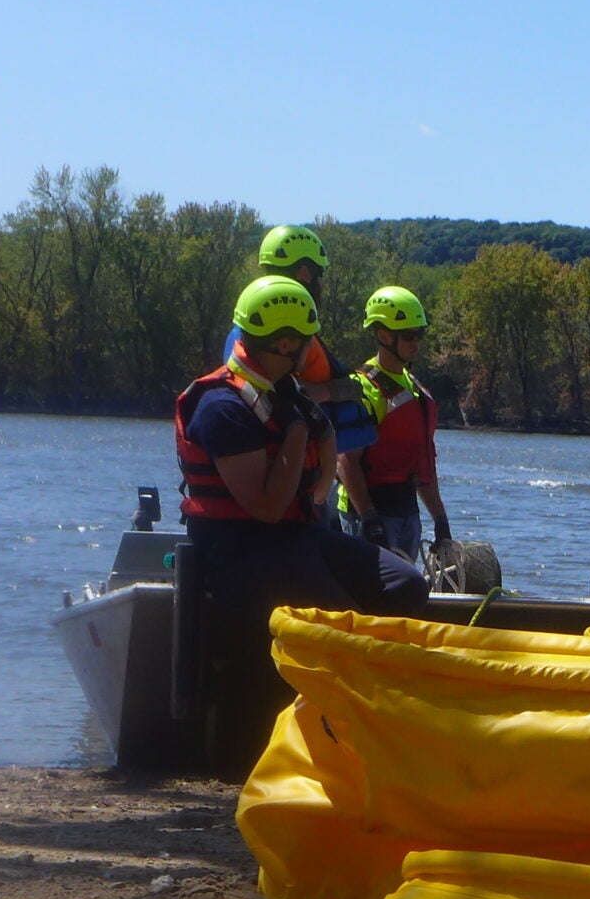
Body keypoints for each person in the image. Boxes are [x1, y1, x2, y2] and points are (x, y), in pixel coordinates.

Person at [176, 275, 429, 765]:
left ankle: (388, 729)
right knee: (341, 621)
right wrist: (296, 427)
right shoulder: (222, 407)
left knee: (406, 587)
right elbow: (266, 507)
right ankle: (338, 746)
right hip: (241, 550)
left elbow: (316, 489)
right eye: (304, 343)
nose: (309, 353)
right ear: (285, 342)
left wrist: (311, 425)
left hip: (297, 537)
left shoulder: (283, 393)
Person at [225, 225, 379, 518]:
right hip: (289, 476)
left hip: (310, 472)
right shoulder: (252, 335)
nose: (320, 283)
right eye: (319, 275)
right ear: (305, 274)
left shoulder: (287, 331)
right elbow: (266, 396)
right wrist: (333, 392)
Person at [338, 286, 452, 558]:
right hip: (370, 514)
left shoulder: (414, 389)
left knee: (404, 593)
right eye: (409, 336)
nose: (416, 343)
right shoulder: (364, 388)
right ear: (383, 336)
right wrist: (369, 519)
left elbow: (423, 463)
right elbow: (346, 462)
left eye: (419, 334)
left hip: (405, 511)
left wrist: (440, 520)